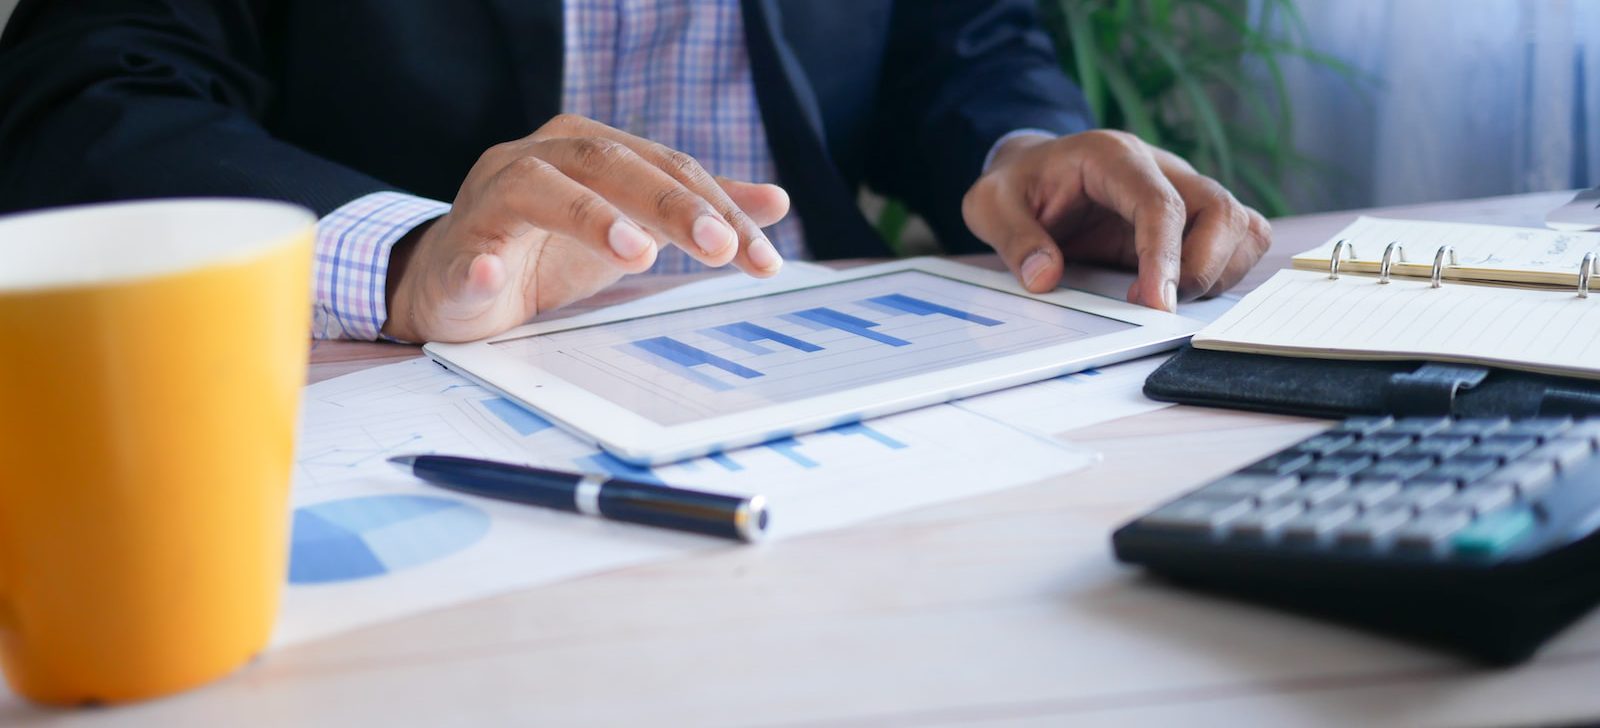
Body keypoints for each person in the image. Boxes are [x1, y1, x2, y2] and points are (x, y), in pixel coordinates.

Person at [0, 0, 1270, 343]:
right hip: (422, 375)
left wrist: (1026, 151)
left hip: (827, 352)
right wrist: (405, 252)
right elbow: (80, 95)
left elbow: (956, 38)